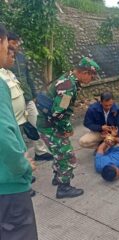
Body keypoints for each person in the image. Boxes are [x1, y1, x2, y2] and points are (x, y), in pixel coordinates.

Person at [37, 57, 100, 199]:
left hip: (47, 124)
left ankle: (58, 177)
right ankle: (63, 188)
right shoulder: (69, 86)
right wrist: (66, 128)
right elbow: (58, 113)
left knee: (59, 152)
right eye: (92, 75)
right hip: (51, 126)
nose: (92, 79)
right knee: (67, 156)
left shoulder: (69, 79)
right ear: (84, 72)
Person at [0, 23, 38, 240]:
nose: (11, 50)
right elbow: (3, 136)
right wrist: (24, 167)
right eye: (8, 44)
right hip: (8, 189)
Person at [8, 32, 53, 161]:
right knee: (19, 132)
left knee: (37, 123)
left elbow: (29, 77)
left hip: (28, 98)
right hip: (14, 100)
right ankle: (24, 162)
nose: (16, 46)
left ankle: (41, 152)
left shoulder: (22, 57)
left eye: (17, 43)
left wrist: (34, 95)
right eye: (13, 43)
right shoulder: (4, 59)